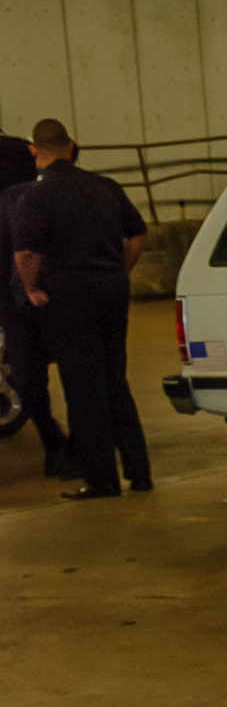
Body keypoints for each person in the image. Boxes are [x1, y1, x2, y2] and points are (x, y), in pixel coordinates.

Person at [8, 118, 149, 500]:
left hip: (70, 297)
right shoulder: (106, 186)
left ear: (34, 151)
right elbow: (137, 235)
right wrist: (119, 270)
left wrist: (31, 288)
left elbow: (27, 253)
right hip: (112, 291)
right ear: (70, 146)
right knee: (115, 380)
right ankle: (139, 473)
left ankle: (101, 479)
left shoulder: (37, 195)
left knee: (84, 388)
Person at [0, 128, 71, 476]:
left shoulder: (16, 156)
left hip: (17, 282)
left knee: (29, 371)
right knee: (76, 368)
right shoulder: (22, 151)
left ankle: (56, 442)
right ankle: (72, 446)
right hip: (44, 277)